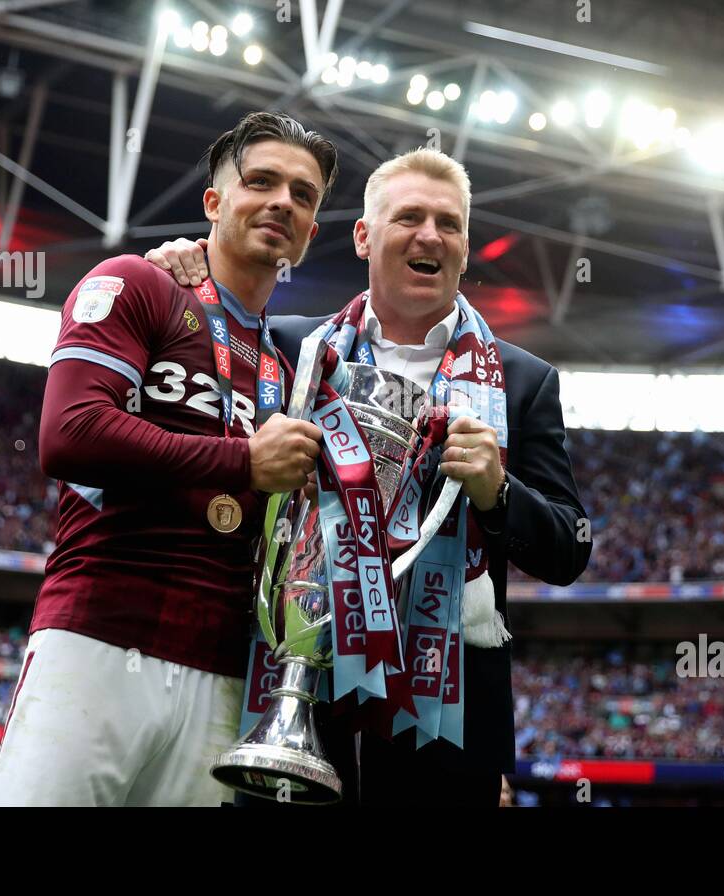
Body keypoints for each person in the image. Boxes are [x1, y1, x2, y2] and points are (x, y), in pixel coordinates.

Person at [145, 147, 590, 806]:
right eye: (409, 216)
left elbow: (569, 549)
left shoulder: (523, 382)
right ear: (364, 236)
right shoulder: (288, 348)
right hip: (294, 690)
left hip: (443, 726)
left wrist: (499, 493)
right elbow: (189, 348)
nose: (430, 235)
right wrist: (176, 269)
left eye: (450, 223)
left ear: (465, 249)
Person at [0, 112, 338, 806]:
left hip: (225, 675)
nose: (281, 203)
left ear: (312, 231)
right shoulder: (138, 283)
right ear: (213, 201)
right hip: (99, 639)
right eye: (261, 182)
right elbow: (69, 435)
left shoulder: (291, 368)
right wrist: (240, 462)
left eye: (303, 195)